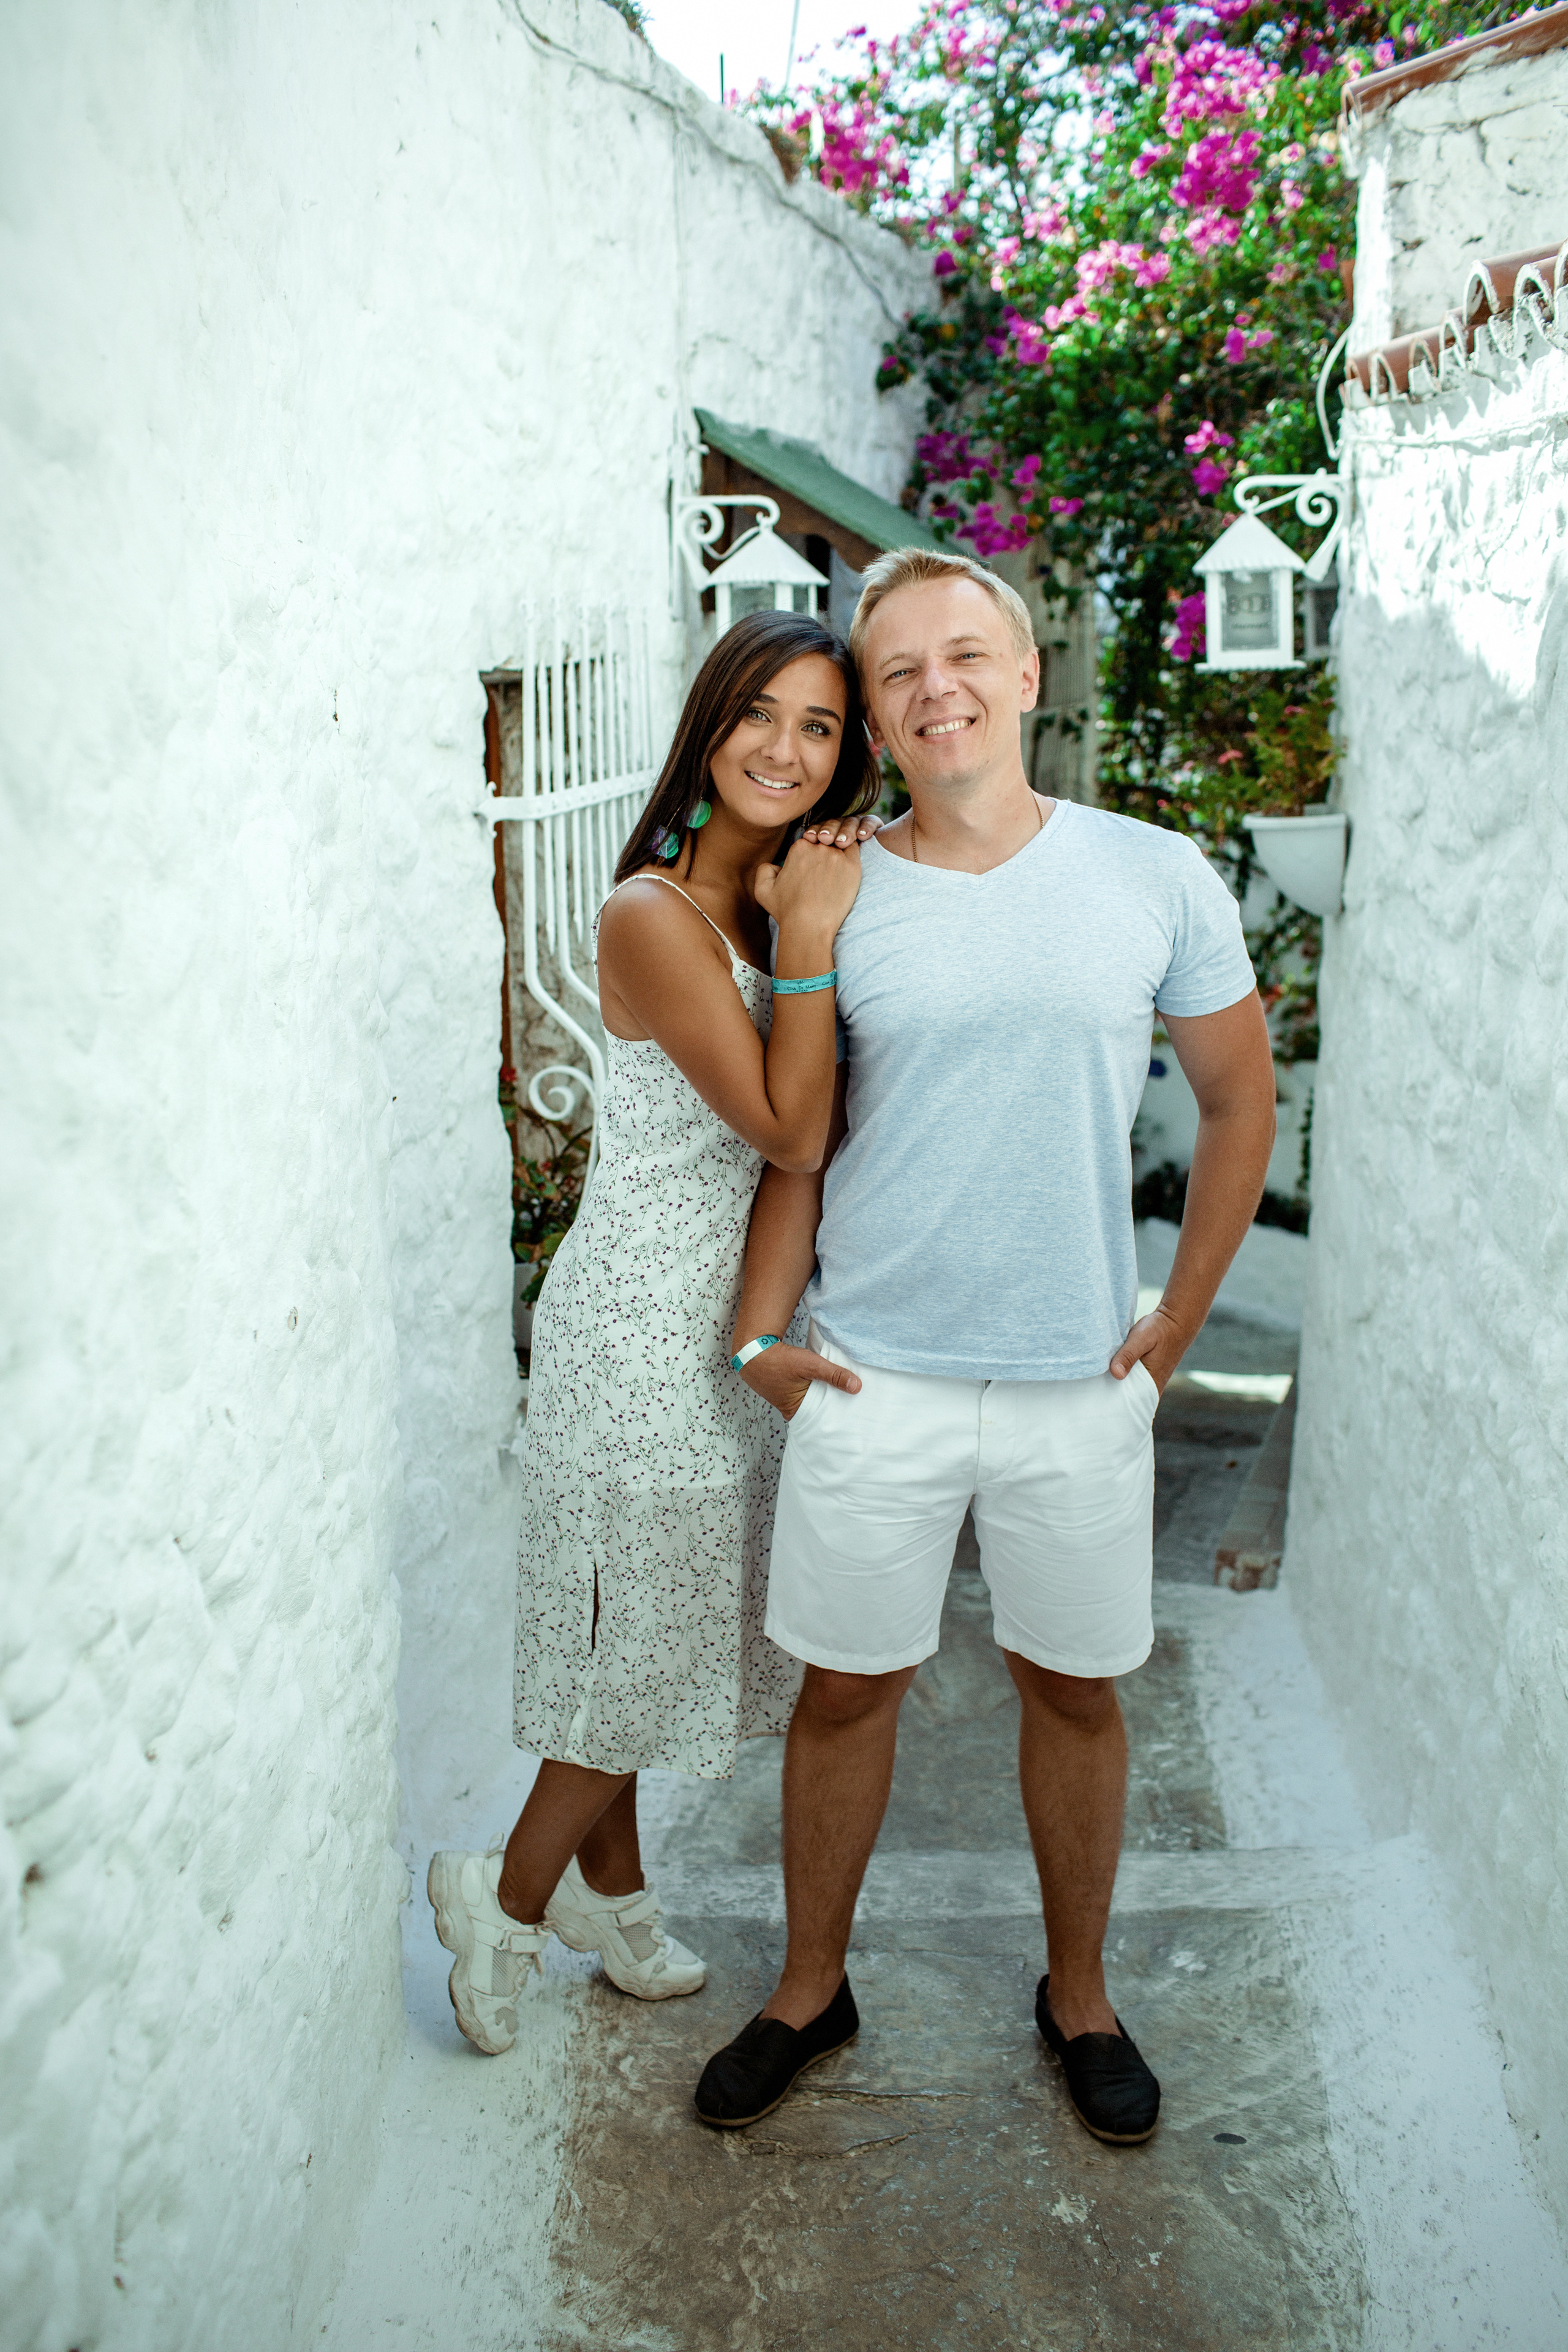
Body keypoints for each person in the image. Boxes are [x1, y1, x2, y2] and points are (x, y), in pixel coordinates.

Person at [693, 548, 1276, 2143]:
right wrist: (763, 1339)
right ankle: (811, 1987)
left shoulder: (1154, 878)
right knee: (844, 1694)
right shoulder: (827, 887)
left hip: (1078, 1382)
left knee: (1074, 1692)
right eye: (898, 670)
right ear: (876, 716)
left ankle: (1078, 1997)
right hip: (874, 1372)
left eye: (966, 654)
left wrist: (1177, 1323)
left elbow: (1240, 1101)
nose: (935, 685)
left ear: (1025, 677)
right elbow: (795, 1143)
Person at [428, 611, 879, 2056]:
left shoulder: (772, 909)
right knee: (639, 1643)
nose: (785, 750)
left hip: (728, 1331)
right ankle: (496, 1896)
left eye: (818, 727)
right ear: (710, 724)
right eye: (762, 714)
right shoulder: (654, 916)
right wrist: (810, 943)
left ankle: (611, 1895)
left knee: (648, 1616)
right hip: (635, 1334)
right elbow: (789, 1125)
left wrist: (803, 926)